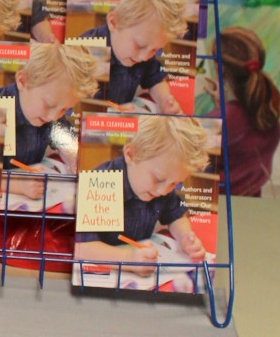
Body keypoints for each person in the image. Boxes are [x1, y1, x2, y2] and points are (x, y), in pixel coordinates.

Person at [75, 116, 209, 276]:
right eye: (158, 179)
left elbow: (175, 216)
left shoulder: (162, 182)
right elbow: (82, 247)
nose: (164, 191)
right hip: (101, 271)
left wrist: (185, 237)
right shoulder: (101, 183)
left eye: (174, 183)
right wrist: (128, 258)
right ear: (131, 154)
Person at [0, 43, 99, 198]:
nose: (54, 116)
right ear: (23, 81)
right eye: (49, 104)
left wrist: (75, 159)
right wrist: (17, 184)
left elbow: (65, 143)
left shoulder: (53, 108)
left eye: (64, 109)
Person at [79, 0, 189, 114]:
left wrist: (164, 100)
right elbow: (77, 98)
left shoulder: (144, 52)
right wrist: (110, 108)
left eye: (155, 50)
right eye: (140, 45)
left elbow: (155, 80)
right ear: (114, 22)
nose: (145, 57)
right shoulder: (85, 51)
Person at [206, 26, 280, 197]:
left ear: (219, 68)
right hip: (250, 206)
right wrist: (222, 107)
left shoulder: (220, 121)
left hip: (217, 208)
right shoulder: (270, 119)